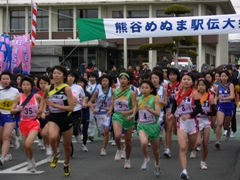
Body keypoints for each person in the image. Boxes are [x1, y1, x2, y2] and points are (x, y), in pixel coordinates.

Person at [38, 65, 74, 177]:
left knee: (67, 146)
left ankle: (66, 163)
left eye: (59, 73)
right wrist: (42, 109)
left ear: (64, 76)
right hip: (53, 117)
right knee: (52, 137)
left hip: (66, 117)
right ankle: (56, 154)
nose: (56, 75)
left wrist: (55, 105)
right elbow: (44, 98)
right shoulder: (49, 88)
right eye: (54, 73)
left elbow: (71, 108)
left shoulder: (67, 88)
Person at [169, 72, 202, 180]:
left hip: (193, 122)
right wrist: (172, 114)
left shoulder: (195, 93)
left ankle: (191, 147)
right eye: (184, 79)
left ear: (192, 82)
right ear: (181, 81)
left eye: (188, 79)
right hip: (181, 122)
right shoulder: (177, 93)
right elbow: (174, 105)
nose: (186, 81)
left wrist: (189, 115)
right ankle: (184, 171)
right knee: (182, 147)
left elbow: (198, 109)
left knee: (191, 147)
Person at [129, 80, 161, 177]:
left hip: (153, 126)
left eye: (146, 88)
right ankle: (146, 158)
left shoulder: (155, 98)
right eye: (142, 87)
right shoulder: (139, 98)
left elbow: (158, 113)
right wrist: (133, 115)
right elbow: (135, 107)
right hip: (142, 125)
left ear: (151, 89)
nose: (144, 89)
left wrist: (150, 110)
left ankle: (157, 164)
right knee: (143, 143)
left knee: (155, 151)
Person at [10, 76, 42, 172]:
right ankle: (30, 159)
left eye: (27, 85)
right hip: (23, 123)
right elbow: (11, 110)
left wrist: (41, 110)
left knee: (28, 144)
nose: (25, 87)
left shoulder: (36, 96)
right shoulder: (18, 97)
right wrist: (17, 110)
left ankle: (31, 160)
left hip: (34, 122)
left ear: (31, 86)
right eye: (23, 85)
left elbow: (44, 104)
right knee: (25, 146)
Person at [111, 71, 136, 169]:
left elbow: (134, 107)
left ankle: (127, 159)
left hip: (127, 117)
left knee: (128, 141)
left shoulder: (131, 93)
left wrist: (130, 113)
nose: (122, 81)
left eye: (124, 79)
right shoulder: (115, 91)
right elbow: (113, 103)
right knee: (117, 136)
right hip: (117, 115)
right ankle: (119, 149)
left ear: (128, 81)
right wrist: (110, 110)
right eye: (121, 79)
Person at [190, 78, 216, 170]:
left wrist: (207, 114)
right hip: (196, 120)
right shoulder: (194, 95)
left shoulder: (210, 97)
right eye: (199, 85)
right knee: (197, 142)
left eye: (203, 85)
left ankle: (203, 162)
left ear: (206, 86)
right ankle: (193, 149)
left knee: (205, 144)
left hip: (206, 121)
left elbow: (214, 112)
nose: (200, 87)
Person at [89, 75, 113, 156]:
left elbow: (114, 102)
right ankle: (104, 134)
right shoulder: (97, 91)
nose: (104, 82)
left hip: (107, 114)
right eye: (103, 81)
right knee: (102, 132)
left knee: (106, 131)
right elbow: (90, 102)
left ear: (109, 82)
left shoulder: (112, 91)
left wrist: (110, 109)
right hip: (98, 113)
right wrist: (93, 109)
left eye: (106, 81)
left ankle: (103, 149)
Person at [0, 71, 20, 166]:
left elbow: (19, 104)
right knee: (0, 139)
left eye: (7, 79)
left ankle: (2, 158)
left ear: (10, 80)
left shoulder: (15, 91)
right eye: (3, 79)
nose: (5, 81)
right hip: (0, 115)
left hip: (10, 115)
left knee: (5, 137)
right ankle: (8, 152)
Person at [163, 68, 181, 158]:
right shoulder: (166, 86)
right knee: (168, 129)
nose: (172, 76)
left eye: (174, 74)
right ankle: (167, 149)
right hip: (169, 108)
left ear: (177, 75)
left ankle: (185, 144)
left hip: (180, 108)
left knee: (177, 130)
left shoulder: (181, 85)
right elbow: (165, 97)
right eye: (170, 74)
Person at [215, 70, 235, 149]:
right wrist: (214, 101)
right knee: (220, 123)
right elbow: (217, 96)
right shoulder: (218, 86)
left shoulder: (231, 85)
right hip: (221, 106)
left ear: (227, 77)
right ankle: (218, 141)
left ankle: (228, 130)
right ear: (220, 77)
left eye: (225, 76)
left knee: (226, 125)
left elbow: (232, 96)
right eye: (222, 76)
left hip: (229, 106)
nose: (223, 78)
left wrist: (224, 98)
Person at [67, 70, 86, 144]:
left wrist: (84, 102)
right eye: (69, 76)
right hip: (66, 110)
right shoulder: (63, 87)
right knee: (68, 129)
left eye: (72, 76)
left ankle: (77, 132)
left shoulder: (78, 87)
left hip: (76, 110)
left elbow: (83, 96)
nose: (70, 78)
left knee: (75, 127)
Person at [36, 76, 53, 162]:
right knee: (43, 134)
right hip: (39, 116)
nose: (43, 85)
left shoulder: (53, 92)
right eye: (41, 83)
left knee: (45, 133)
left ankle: (50, 148)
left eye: (45, 83)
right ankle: (48, 148)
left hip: (50, 115)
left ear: (49, 83)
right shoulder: (36, 94)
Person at [77, 77, 91, 152]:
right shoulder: (74, 92)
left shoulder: (87, 94)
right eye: (78, 82)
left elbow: (91, 103)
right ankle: (78, 133)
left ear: (84, 84)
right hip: (77, 113)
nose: (79, 84)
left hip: (85, 113)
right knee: (76, 127)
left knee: (85, 130)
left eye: (81, 82)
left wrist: (88, 104)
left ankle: (84, 145)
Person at [86, 72, 99, 141]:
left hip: (97, 105)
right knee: (90, 120)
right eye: (90, 77)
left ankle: (102, 132)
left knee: (99, 121)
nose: (91, 79)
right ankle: (91, 135)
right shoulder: (86, 86)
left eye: (93, 77)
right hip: (89, 105)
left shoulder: (99, 86)